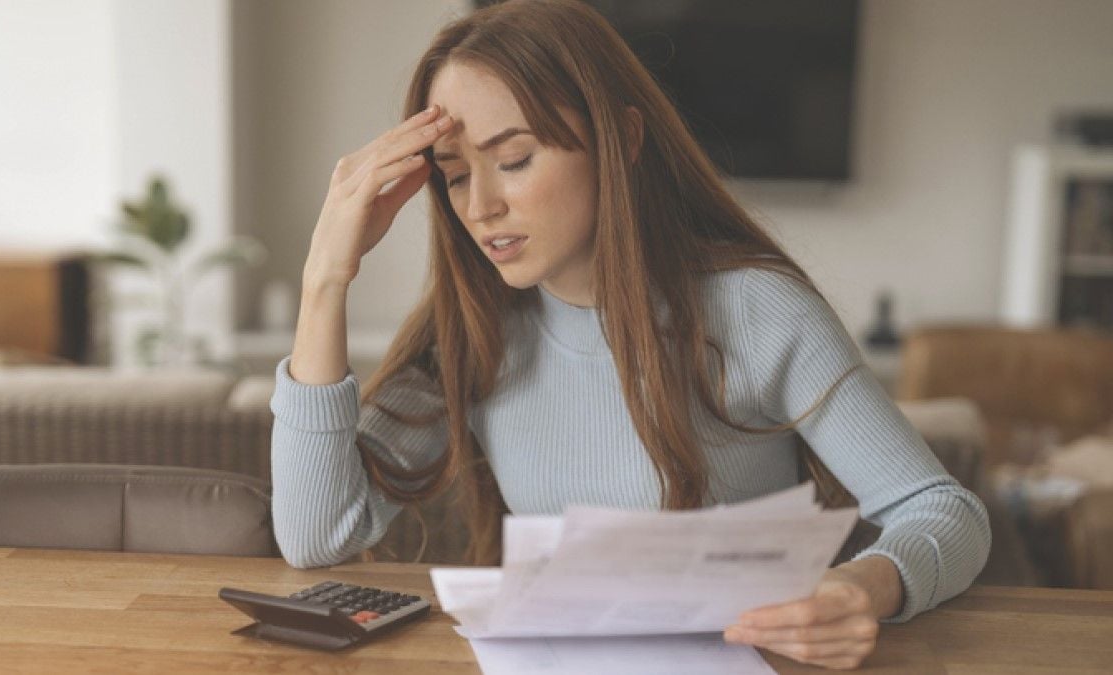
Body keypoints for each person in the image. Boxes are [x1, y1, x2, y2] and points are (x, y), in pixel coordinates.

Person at [270, 0, 990, 669]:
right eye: (456, 176)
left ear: (622, 138)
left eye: (516, 160)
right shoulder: (475, 332)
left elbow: (944, 511)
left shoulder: (758, 312)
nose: (482, 206)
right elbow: (317, 534)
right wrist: (324, 281)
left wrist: (865, 585)